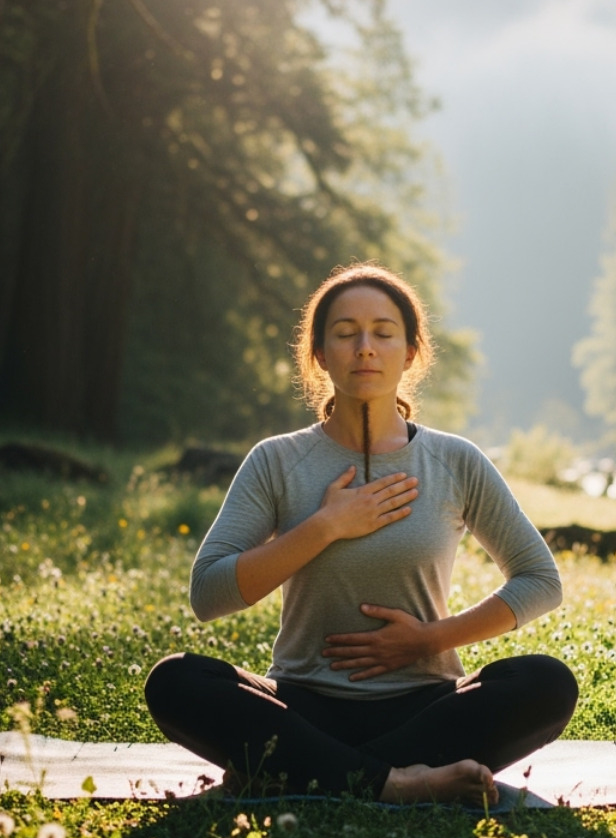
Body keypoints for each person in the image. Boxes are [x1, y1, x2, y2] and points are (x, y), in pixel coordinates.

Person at [144, 263, 576, 805]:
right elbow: (208, 594)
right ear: (320, 354)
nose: (364, 348)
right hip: (303, 704)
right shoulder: (276, 461)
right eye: (345, 334)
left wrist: (430, 639)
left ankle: (305, 770)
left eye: (383, 333)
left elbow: (540, 580)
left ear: (411, 352)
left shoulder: (454, 460)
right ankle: (399, 782)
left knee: (546, 682)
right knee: (176, 681)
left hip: (425, 704)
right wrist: (325, 526)